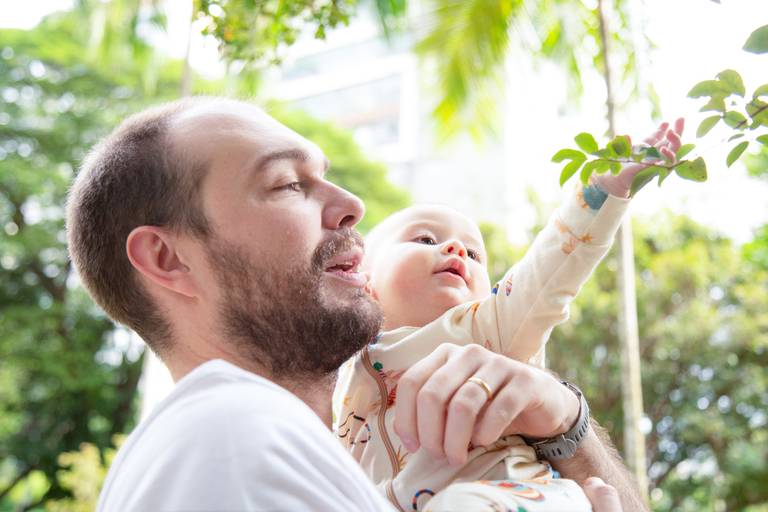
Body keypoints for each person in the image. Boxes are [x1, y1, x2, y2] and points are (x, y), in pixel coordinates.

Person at [65, 96, 644, 511]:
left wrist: (563, 425)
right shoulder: (227, 441)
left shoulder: (316, 459)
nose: (351, 205)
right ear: (170, 260)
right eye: (288, 183)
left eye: (327, 177)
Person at [333, 120, 684, 511]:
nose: (456, 249)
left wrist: (600, 192)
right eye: (425, 239)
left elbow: (547, 273)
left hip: (523, 497)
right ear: (366, 281)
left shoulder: (486, 330)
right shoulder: (341, 378)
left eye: (474, 253)